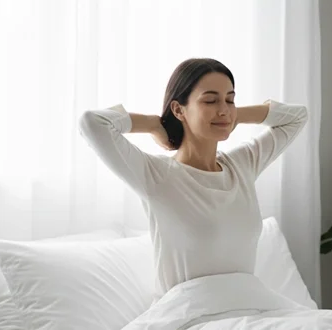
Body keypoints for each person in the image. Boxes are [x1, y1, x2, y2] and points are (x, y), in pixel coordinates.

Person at [78, 58, 308, 296]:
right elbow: (92, 122)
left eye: (230, 99)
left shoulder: (242, 165)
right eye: (210, 100)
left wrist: (234, 115)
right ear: (179, 110)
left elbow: (298, 116)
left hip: (249, 306)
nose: (223, 109)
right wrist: (153, 124)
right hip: (189, 310)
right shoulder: (156, 175)